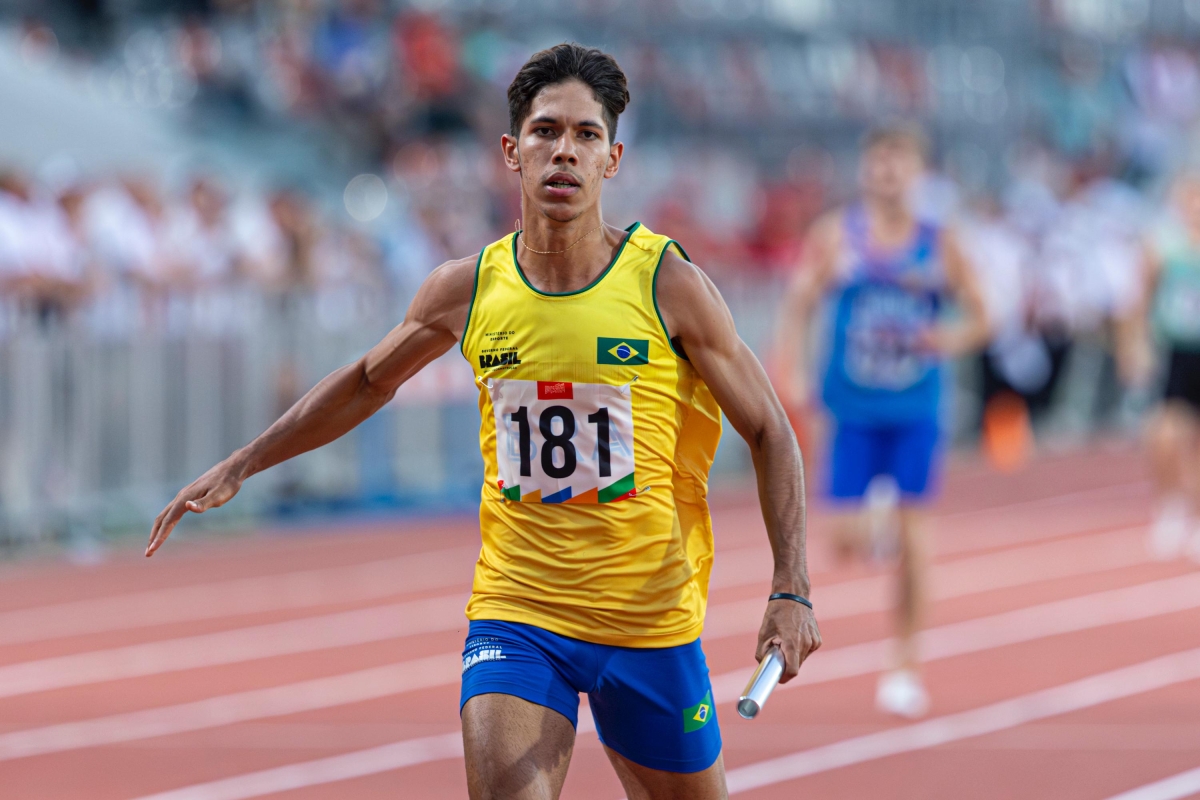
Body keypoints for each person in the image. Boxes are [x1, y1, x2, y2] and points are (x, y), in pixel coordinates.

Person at [145, 44, 820, 800]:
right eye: (545, 130)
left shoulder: (669, 285)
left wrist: (790, 588)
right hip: (518, 611)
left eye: (586, 135)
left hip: (648, 618)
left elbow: (770, 431)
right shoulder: (466, 289)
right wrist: (245, 460)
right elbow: (368, 382)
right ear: (511, 150)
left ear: (613, 159)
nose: (564, 149)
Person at [774, 125, 988, 719]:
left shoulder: (939, 243)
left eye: (900, 163)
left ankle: (904, 664)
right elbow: (799, 299)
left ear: (918, 173)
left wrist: (948, 335)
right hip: (850, 408)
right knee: (843, 542)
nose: (888, 173)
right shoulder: (836, 236)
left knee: (918, 545)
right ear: (866, 169)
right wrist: (788, 367)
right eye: (879, 162)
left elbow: (984, 313)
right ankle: (877, 518)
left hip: (916, 409)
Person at [1117, 173, 1200, 563]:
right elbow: (1139, 300)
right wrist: (1134, 347)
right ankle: (1170, 508)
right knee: (1165, 435)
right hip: (1178, 352)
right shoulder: (1164, 246)